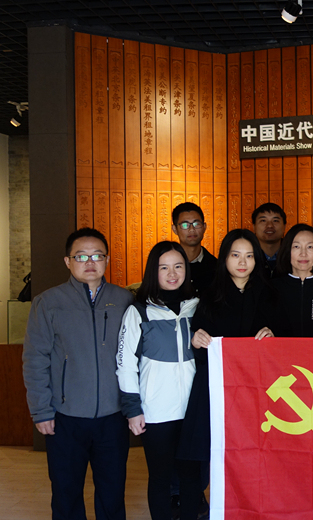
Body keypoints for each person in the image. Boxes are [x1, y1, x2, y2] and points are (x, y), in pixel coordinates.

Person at [23, 227, 133, 520]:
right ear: (67, 261)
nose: (90, 262)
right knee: (66, 492)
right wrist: (41, 410)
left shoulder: (124, 300)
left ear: (107, 260)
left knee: (112, 493)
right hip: (65, 417)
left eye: (97, 256)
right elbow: (35, 359)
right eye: (81, 256)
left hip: (113, 416)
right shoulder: (48, 302)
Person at [177, 229, 276, 482]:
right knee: (206, 454)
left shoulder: (269, 293)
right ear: (224, 258)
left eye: (249, 256)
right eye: (235, 255)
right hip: (216, 388)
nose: (243, 262)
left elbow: (282, 346)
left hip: (256, 391)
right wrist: (196, 339)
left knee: (253, 456)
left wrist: (273, 336)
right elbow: (197, 344)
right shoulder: (209, 295)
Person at [116, 241, 201, 520]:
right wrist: (133, 409)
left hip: (193, 410)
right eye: (164, 268)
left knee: (192, 478)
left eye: (178, 266)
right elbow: (125, 364)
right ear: (153, 271)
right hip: (156, 412)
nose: (172, 274)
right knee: (161, 478)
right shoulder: (139, 312)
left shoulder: (197, 308)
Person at [171, 202, 217, 296]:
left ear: (204, 227)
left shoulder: (217, 267)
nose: (191, 229)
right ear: (175, 229)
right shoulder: (165, 266)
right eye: (185, 225)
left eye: (196, 224)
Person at [252, 202, 287, 278]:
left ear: (284, 226)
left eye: (275, 221)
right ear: (254, 227)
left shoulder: (294, 254)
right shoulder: (247, 255)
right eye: (263, 220)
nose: (270, 225)